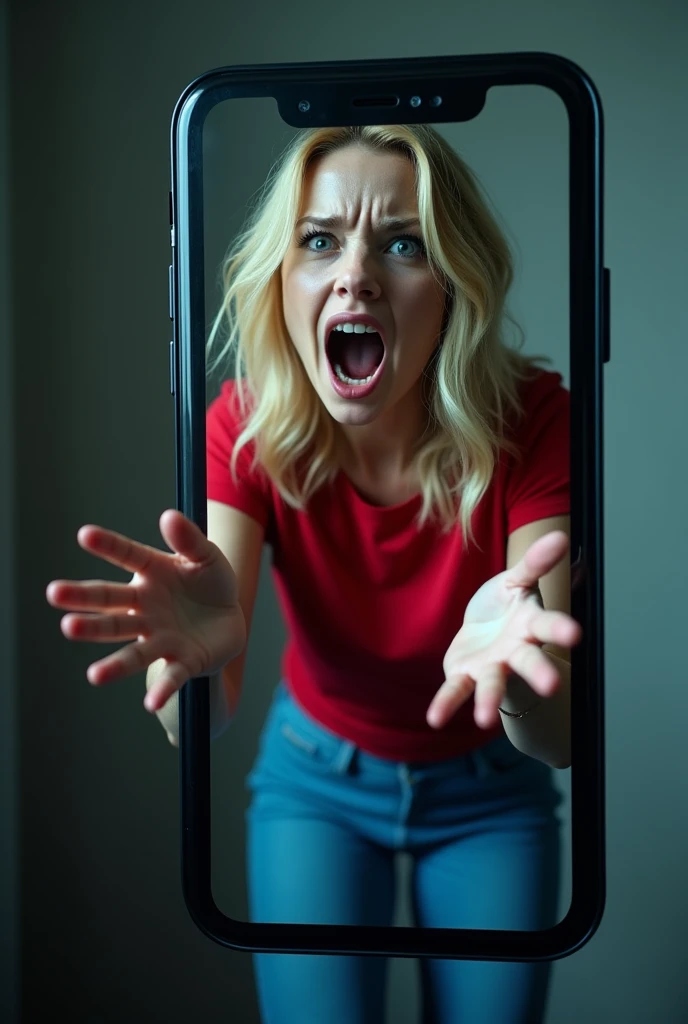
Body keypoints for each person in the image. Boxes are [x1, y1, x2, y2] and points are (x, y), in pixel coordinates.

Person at [46, 124, 580, 1024]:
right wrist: (196, 664)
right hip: (315, 787)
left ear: (453, 289)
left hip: (491, 794)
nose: (357, 272)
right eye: (320, 240)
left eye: (403, 243)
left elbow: (560, 737)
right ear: (283, 281)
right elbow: (200, 721)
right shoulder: (245, 429)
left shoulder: (533, 418)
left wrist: (515, 679)